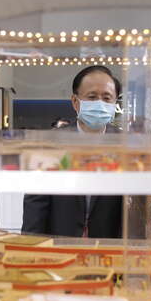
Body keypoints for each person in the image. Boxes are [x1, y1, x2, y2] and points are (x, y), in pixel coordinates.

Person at [21, 66, 123, 238]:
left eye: (107, 98)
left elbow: (133, 209)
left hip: (109, 245)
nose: (100, 103)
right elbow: (36, 204)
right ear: (75, 102)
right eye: (92, 97)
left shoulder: (126, 145)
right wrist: (31, 246)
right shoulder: (50, 144)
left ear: (115, 104)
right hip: (60, 242)